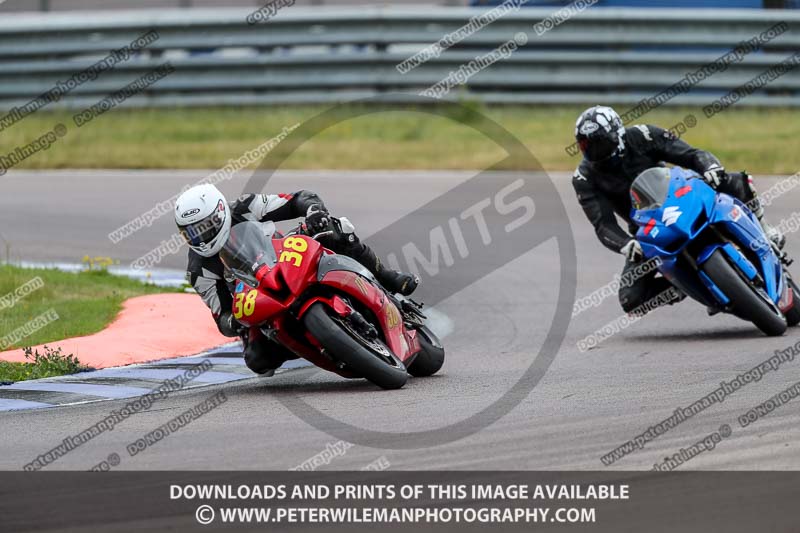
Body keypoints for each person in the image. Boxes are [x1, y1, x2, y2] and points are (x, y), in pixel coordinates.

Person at [174, 184, 418, 374]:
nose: (201, 238)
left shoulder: (244, 206)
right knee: (257, 360)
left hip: (287, 258)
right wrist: (234, 322)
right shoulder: (198, 271)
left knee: (334, 229)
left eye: (205, 227)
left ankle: (386, 277)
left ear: (220, 211)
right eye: (192, 233)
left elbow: (299, 199)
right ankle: (321, 344)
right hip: (259, 296)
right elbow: (222, 317)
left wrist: (314, 212)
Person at [571, 105, 784, 316]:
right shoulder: (584, 178)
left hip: (682, 197)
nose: (594, 152)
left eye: (600, 143)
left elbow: (691, 155)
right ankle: (691, 287)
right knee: (631, 299)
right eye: (586, 146)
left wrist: (709, 167)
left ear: (617, 134)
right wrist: (626, 244)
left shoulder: (644, 135)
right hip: (648, 229)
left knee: (733, 181)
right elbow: (603, 225)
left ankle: (765, 229)